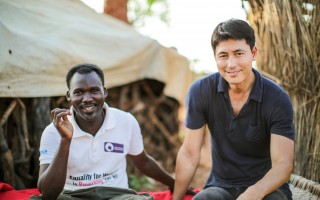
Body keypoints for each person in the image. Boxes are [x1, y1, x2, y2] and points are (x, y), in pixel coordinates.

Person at [172, 19, 295, 200]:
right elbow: (189, 154)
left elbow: (283, 164)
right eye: (223, 56)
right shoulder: (201, 91)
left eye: (238, 53)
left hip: (266, 188)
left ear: (253, 53)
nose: (231, 64)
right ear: (215, 57)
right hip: (221, 186)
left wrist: (252, 194)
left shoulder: (277, 98)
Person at [35, 64, 175, 200]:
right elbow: (47, 194)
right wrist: (65, 141)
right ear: (68, 95)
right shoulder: (53, 132)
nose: (87, 99)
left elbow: (143, 162)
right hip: (72, 196)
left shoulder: (125, 121)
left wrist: (174, 184)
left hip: (117, 195)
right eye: (79, 92)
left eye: (94, 90)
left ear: (105, 92)